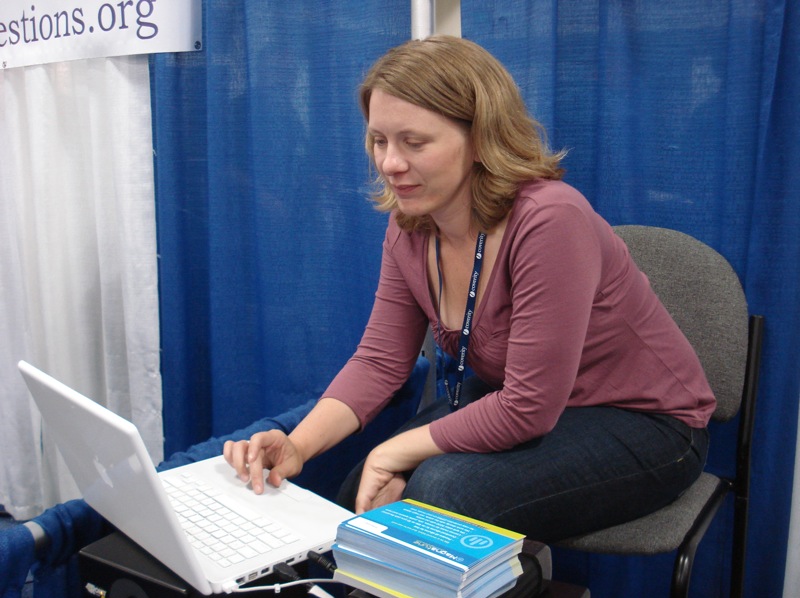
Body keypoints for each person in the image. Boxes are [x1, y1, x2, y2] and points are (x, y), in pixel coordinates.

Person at [223, 35, 714, 543]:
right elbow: (379, 362)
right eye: (379, 140)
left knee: (437, 495)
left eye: (414, 142)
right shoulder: (409, 226)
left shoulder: (551, 220)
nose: (390, 163)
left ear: (480, 138)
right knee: (362, 493)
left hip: (647, 423)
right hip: (530, 403)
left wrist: (391, 450)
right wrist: (298, 446)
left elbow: (527, 407)